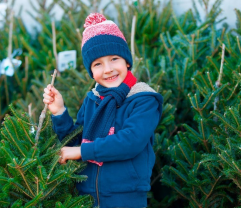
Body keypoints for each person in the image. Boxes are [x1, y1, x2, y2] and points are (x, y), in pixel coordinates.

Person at [43, 13, 163, 208]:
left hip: (125, 196)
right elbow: (76, 140)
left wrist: (81, 151)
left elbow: (130, 142)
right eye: (97, 64)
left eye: (114, 58)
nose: (107, 69)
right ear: (91, 71)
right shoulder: (93, 99)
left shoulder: (143, 100)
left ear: (127, 62)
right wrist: (59, 112)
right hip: (88, 195)